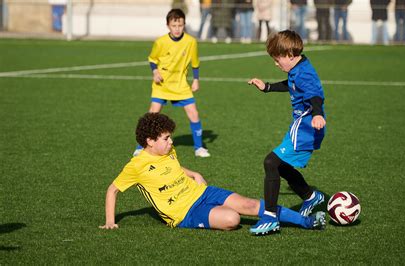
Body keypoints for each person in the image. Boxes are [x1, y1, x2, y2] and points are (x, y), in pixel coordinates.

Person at [100, 113, 326, 234]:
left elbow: (173, 169)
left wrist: (193, 173)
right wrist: (111, 221)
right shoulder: (136, 166)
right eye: (165, 138)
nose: (171, 141)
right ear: (149, 141)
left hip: (202, 192)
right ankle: (222, 212)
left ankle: (306, 222)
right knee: (232, 219)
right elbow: (112, 190)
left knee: (248, 205)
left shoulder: (169, 151)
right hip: (184, 214)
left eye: (170, 137)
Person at [247, 30, 326, 235]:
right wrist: (267, 87)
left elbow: (314, 94)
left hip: (307, 127)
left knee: (270, 162)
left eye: (277, 59)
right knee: (279, 166)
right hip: (301, 125)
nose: (276, 63)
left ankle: (271, 217)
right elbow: (292, 85)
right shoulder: (298, 69)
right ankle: (310, 196)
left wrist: (317, 114)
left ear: (290, 54)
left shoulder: (305, 73)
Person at [135, 9, 210, 158]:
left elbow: (195, 62)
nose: (177, 28)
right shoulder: (160, 42)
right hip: (162, 85)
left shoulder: (190, 42)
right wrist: (155, 72)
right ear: (168, 25)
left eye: (180, 25)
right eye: (174, 25)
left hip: (181, 85)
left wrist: (196, 80)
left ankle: (199, 147)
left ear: (184, 25)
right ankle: (140, 146)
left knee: (194, 114)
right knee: (152, 115)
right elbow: (152, 59)